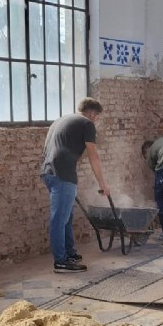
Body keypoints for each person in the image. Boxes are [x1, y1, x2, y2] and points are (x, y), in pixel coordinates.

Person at [41, 97, 110, 273]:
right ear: (92, 113)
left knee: (66, 216)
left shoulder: (61, 120)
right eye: (97, 116)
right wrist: (103, 183)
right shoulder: (87, 124)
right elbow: (93, 155)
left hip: (48, 172)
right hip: (62, 175)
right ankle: (61, 261)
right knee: (59, 218)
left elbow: (54, 148)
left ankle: (69, 253)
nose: (96, 120)